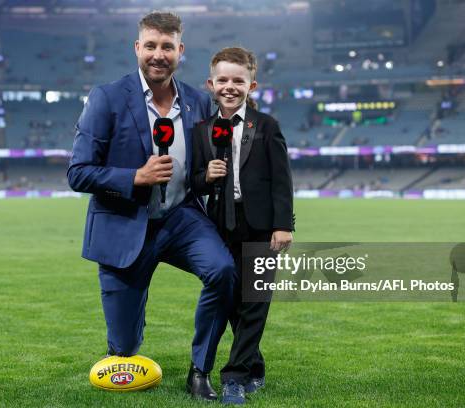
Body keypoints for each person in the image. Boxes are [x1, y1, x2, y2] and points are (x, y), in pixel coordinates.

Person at [67, 12, 234, 401]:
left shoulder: (196, 102)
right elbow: (78, 173)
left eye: (168, 47)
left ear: (181, 50)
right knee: (125, 350)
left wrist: (209, 175)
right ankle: (122, 344)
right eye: (151, 46)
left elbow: (204, 169)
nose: (159, 55)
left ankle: (200, 369)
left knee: (224, 270)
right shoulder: (107, 98)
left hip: (181, 219)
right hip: (125, 224)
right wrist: (134, 178)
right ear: (137, 48)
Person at [191, 47, 295, 404]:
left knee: (256, 301)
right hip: (221, 227)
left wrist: (284, 225)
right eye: (223, 80)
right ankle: (255, 366)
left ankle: (233, 377)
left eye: (239, 80)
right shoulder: (202, 130)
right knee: (234, 302)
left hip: (263, 229)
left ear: (253, 84)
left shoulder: (266, 126)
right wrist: (205, 176)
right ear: (211, 84)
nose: (230, 87)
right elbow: (193, 181)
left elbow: (282, 181)